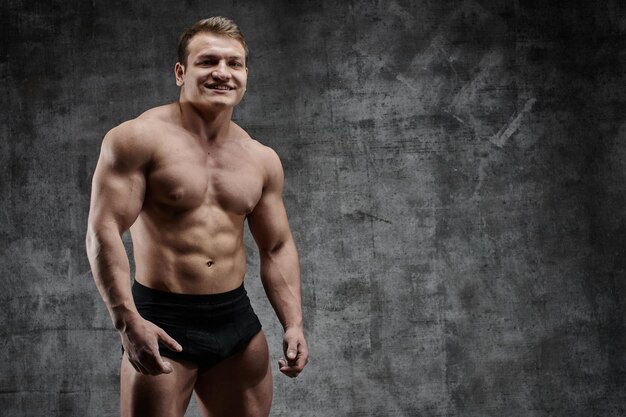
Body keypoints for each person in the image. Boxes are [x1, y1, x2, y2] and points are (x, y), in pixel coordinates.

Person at [85, 16, 308, 417]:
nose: (222, 73)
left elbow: (276, 246)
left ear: (245, 75)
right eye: (208, 61)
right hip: (162, 320)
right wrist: (125, 319)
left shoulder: (261, 159)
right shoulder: (137, 139)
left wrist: (293, 323)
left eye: (234, 63)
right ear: (180, 72)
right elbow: (104, 232)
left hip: (236, 321)